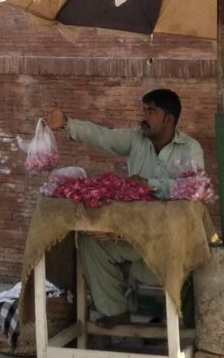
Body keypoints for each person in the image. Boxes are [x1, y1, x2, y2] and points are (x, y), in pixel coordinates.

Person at [44, 89, 205, 328]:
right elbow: (103, 137)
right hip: (134, 235)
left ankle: (176, 317)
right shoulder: (135, 139)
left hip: (171, 241)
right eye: (144, 110)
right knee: (91, 243)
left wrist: (150, 185)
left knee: (173, 263)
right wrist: (68, 124)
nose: (144, 116)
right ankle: (115, 310)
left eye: (151, 111)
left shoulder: (190, 149)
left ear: (168, 119)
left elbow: (194, 188)